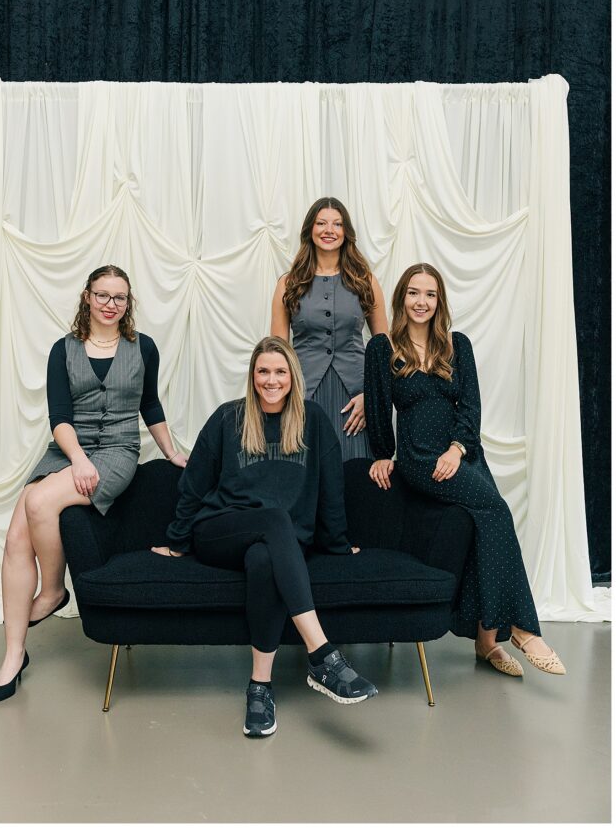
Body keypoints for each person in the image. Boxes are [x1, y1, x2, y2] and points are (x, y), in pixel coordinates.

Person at [151, 336, 378, 737]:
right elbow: (193, 484)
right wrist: (177, 543)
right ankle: (322, 655)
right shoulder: (229, 418)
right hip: (220, 530)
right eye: (263, 371)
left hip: (278, 542)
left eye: (279, 372)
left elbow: (332, 490)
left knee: (263, 559)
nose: (271, 380)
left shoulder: (313, 421)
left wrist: (338, 545)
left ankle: (259, 688)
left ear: (292, 376)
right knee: (274, 520)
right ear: (252, 375)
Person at [0, 264, 187, 703]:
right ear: (87, 296)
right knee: (16, 537)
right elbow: (59, 417)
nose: (111, 304)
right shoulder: (63, 350)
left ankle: (54, 590)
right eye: (103, 295)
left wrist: (172, 452)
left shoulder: (143, 347)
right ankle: (13, 653)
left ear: (128, 302)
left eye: (120, 297)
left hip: (117, 453)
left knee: (39, 503)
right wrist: (77, 459)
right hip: (66, 450)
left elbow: (150, 404)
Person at [364, 263, 565, 678]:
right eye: (414, 293)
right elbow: (378, 408)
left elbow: (471, 405)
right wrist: (383, 453)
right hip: (421, 457)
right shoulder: (383, 348)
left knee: (480, 523)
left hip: (463, 453)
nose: (421, 302)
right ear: (402, 297)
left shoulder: (458, 345)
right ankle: (523, 629)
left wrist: (458, 449)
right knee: (497, 510)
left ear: (439, 301)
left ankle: (486, 642)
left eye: (430, 294)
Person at [271, 197, 388, 461]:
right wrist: (285, 401)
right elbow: (276, 353)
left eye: (337, 224)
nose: (329, 230)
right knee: (307, 470)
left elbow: (384, 349)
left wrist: (370, 398)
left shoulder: (366, 281)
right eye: (321, 223)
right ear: (310, 230)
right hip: (304, 394)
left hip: (356, 398)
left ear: (346, 232)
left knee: (355, 471)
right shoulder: (288, 284)